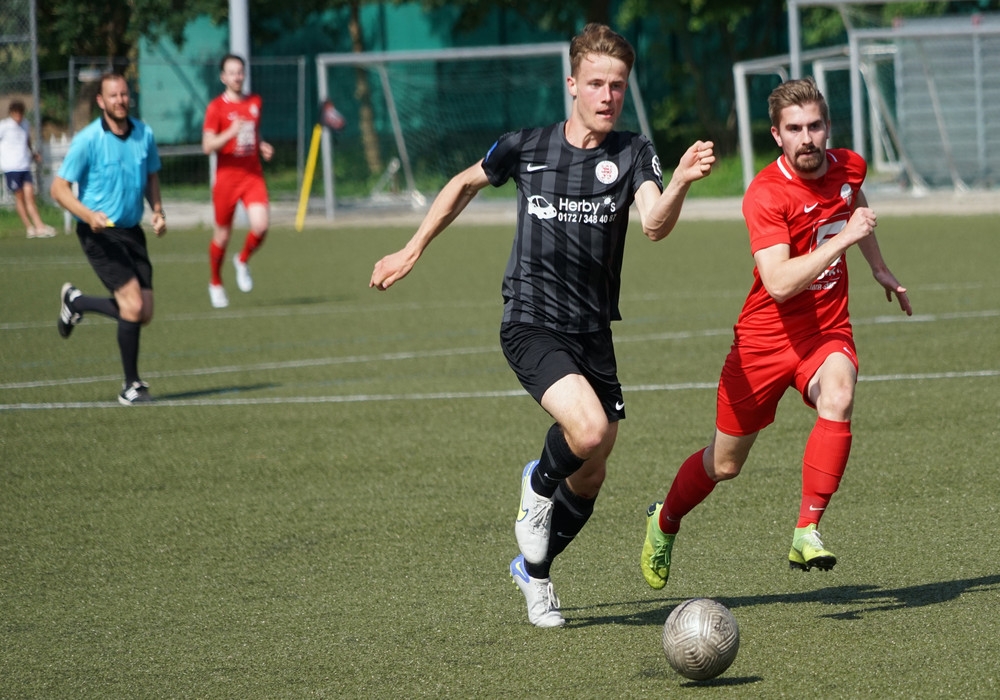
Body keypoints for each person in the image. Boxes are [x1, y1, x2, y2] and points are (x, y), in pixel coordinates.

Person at [370, 23, 715, 628]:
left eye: (618, 85)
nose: (608, 96)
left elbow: (654, 224)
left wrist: (681, 179)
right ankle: (536, 485)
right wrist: (412, 248)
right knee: (586, 430)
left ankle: (533, 573)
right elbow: (463, 184)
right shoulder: (526, 146)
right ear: (572, 83)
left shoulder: (633, 151)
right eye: (597, 84)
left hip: (592, 330)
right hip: (530, 320)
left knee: (594, 467)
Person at [640, 77, 912, 590]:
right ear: (777, 135)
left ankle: (807, 530)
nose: (807, 138)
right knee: (724, 464)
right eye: (795, 129)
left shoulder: (849, 166)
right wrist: (847, 240)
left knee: (840, 393)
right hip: (762, 343)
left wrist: (877, 265)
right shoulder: (766, 193)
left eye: (815, 126)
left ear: (827, 127)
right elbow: (780, 284)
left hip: (824, 331)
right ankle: (665, 519)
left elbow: (852, 198)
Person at [50, 72, 167, 406]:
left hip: (132, 231)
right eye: (113, 96)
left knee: (144, 312)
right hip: (98, 233)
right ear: (101, 101)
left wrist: (158, 211)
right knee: (132, 305)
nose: (120, 101)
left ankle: (76, 303)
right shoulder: (88, 139)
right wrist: (87, 215)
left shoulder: (144, 134)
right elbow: (58, 189)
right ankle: (131, 386)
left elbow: (151, 176)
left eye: (124, 94)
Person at [201, 53, 273, 309]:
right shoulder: (216, 108)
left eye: (240, 72)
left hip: (252, 175)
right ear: (223, 77)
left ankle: (242, 260)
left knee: (261, 226)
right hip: (227, 178)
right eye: (232, 72)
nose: (237, 77)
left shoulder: (255, 102)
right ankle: (215, 282)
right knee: (222, 235)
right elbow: (207, 146)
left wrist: (262, 145)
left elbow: (253, 133)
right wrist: (230, 132)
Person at [0, 100, 56, 238]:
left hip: (24, 166)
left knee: (30, 197)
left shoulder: (25, 124)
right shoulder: (4, 126)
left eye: (20, 114)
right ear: (11, 113)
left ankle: (39, 226)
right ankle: (29, 227)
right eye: (16, 114)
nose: (18, 117)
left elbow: (27, 140)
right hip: (11, 167)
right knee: (19, 198)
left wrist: (33, 153)